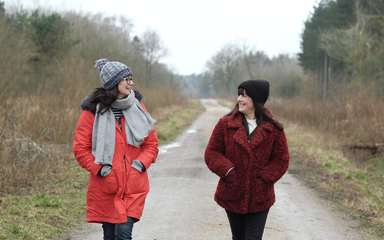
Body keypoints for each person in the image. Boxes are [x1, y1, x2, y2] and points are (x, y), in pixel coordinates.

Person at [73, 58, 159, 240]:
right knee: (110, 236)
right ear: (114, 83)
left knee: (123, 235)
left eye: (131, 79)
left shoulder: (138, 108)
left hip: (133, 185)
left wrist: (139, 165)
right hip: (106, 186)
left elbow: (151, 144)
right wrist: (100, 169)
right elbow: (80, 149)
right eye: (127, 79)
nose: (131, 83)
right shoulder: (91, 113)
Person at [204, 79, 290, 240]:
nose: (239, 99)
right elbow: (212, 153)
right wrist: (229, 172)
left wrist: (264, 179)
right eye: (238, 95)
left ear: (256, 100)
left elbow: (282, 159)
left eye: (244, 95)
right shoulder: (225, 124)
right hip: (233, 192)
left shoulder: (274, 129)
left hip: (260, 196)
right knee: (238, 237)